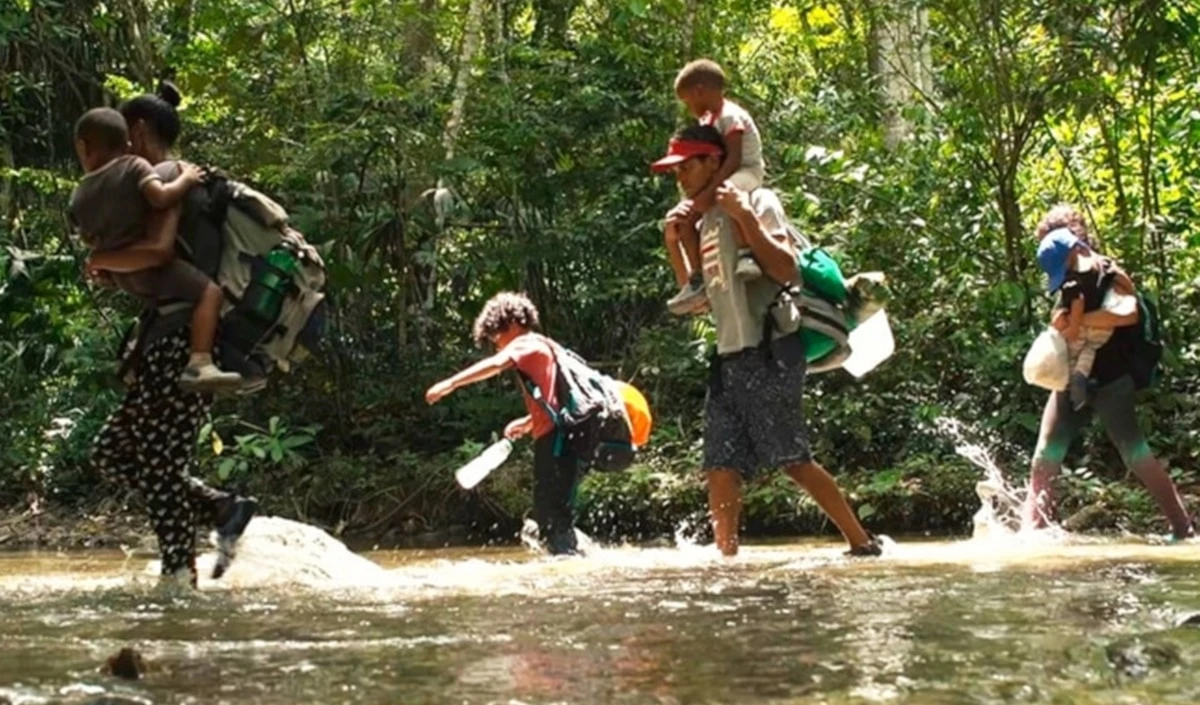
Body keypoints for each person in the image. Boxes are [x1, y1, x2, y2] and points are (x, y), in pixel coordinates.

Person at [652, 125, 881, 557]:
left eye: (686, 166)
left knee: (792, 458)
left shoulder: (757, 200)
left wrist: (743, 216)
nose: (680, 177)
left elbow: (785, 269)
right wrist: (674, 242)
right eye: (675, 170)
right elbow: (698, 298)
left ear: (713, 162)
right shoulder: (700, 222)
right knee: (719, 465)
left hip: (772, 346)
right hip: (728, 354)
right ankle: (727, 555)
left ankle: (861, 542)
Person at [86, 82, 258, 587]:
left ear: (137, 132)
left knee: (160, 465)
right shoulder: (168, 180)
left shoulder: (164, 177)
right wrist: (113, 268)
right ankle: (221, 508)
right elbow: (156, 267)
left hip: (180, 342)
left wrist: (102, 259)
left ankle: (178, 575)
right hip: (164, 338)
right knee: (111, 452)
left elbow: (158, 253)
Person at [1024, 208, 1194, 541]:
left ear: (1074, 242)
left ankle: (1183, 529)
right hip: (1071, 377)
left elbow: (1127, 315)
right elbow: (1058, 319)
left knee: (1134, 453)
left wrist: (1080, 323)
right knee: (1046, 454)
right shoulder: (1068, 277)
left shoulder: (1108, 272)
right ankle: (1031, 531)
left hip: (1113, 380)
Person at [70, 107, 242, 393]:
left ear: (82, 147)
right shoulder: (136, 167)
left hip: (126, 279)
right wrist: (187, 178)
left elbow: (89, 239)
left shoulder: (78, 195)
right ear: (128, 142)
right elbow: (161, 201)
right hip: (155, 274)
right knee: (210, 293)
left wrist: (105, 260)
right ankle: (200, 363)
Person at [425, 292, 583, 555]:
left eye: (497, 337)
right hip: (561, 436)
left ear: (511, 323)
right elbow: (556, 399)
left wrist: (451, 383)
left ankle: (572, 565)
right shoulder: (545, 346)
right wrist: (529, 421)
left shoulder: (525, 343)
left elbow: (496, 364)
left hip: (556, 439)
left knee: (551, 517)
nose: (498, 346)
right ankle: (576, 558)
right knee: (552, 514)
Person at [660, 59, 766, 316]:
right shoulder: (710, 121)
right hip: (725, 173)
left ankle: (745, 253)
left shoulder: (730, 116)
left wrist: (709, 193)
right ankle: (697, 278)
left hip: (746, 171)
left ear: (699, 92)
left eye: (688, 101)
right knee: (687, 216)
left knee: (728, 196)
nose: (689, 107)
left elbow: (732, 159)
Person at [1036, 229, 1134, 410]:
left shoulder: (1071, 280)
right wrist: (1131, 290)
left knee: (1073, 353)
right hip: (1104, 331)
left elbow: (1078, 302)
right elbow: (1123, 280)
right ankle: (1082, 376)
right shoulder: (1104, 265)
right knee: (1090, 349)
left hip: (1082, 327)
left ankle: (1074, 382)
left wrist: (1074, 326)